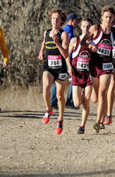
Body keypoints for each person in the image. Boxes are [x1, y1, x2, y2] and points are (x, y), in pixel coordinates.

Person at [86, 6, 115, 133]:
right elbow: (82, 42)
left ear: (113, 19)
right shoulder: (95, 29)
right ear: (102, 18)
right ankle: (101, 117)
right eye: (106, 17)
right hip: (94, 64)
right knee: (95, 98)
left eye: (110, 17)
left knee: (103, 93)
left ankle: (98, 122)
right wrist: (91, 45)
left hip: (107, 65)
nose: (108, 19)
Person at [39, 7, 69, 135]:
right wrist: (41, 52)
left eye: (57, 19)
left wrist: (57, 42)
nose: (54, 21)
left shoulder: (63, 34)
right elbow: (44, 42)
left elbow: (66, 53)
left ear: (61, 20)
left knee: (60, 96)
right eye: (53, 18)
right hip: (49, 66)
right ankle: (48, 109)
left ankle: (60, 120)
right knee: (46, 87)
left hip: (60, 68)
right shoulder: (46, 32)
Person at [66, 18, 94, 134]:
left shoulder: (93, 42)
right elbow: (67, 56)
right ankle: (81, 94)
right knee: (77, 103)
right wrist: (69, 67)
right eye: (84, 26)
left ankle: (82, 126)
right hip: (77, 74)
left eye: (88, 26)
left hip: (88, 75)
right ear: (80, 27)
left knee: (86, 102)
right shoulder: (74, 40)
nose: (86, 28)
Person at [50, 13, 82, 109]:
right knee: (63, 79)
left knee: (63, 79)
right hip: (67, 59)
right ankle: (64, 101)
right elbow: (66, 48)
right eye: (76, 20)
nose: (77, 22)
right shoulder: (67, 31)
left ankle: (66, 101)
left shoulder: (70, 30)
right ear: (71, 20)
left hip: (68, 58)